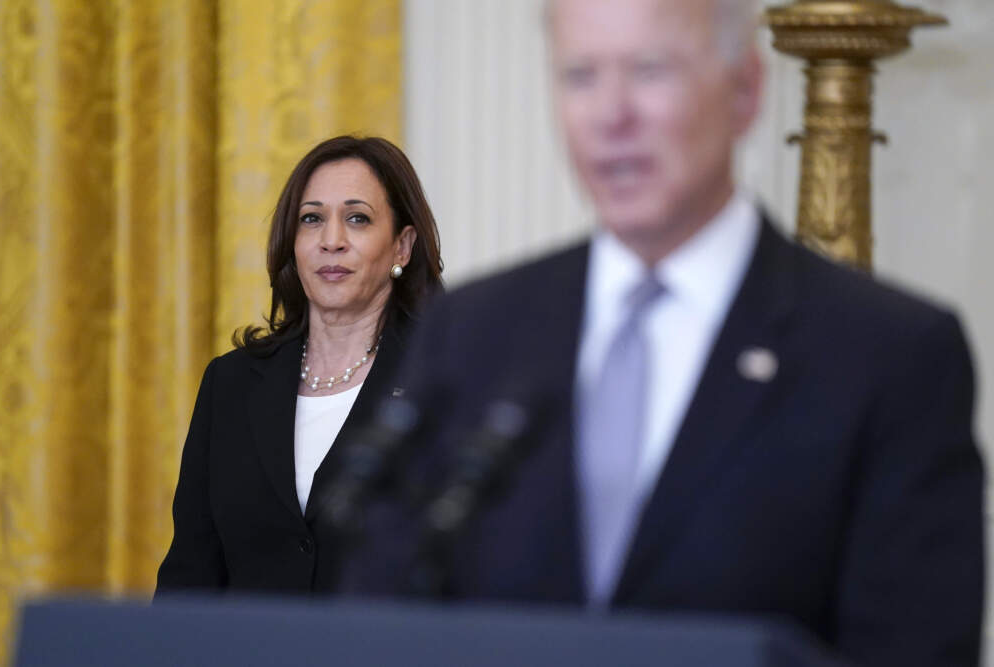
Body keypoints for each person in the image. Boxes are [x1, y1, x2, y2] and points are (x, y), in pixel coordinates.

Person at [343, 1, 985, 666]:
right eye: (581, 76)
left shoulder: (891, 356)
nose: (611, 115)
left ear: (745, 90)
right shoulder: (474, 331)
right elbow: (385, 618)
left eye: (650, 70)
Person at [156, 135, 443, 594]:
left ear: (402, 247)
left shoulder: (440, 382)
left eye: (357, 218)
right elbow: (189, 575)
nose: (332, 241)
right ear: (292, 242)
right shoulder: (230, 384)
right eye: (312, 219)